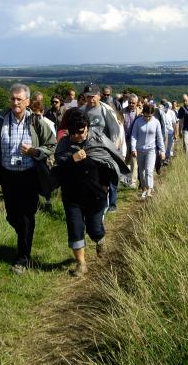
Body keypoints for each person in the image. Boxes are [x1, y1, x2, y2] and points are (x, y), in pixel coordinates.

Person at [0, 83, 57, 274]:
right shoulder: (0, 121)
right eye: (12, 99)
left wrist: (34, 151)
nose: (15, 102)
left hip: (29, 176)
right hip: (8, 176)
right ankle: (24, 237)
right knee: (12, 215)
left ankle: (23, 257)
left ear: (27, 101)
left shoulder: (35, 122)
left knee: (26, 216)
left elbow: (52, 144)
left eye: (19, 99)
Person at [53, 108, 129, 277]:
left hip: (95, 195)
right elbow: (57, 172)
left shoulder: (99, 139)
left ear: (87, 127)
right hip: (72, 195)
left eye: (80, 132)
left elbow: (110, 162)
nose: (77, 136)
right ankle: (81, 264)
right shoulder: (64, 145)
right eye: (73, 133)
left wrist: (105, 186)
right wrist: (72, 160)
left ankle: (100, 240)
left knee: (94, 229)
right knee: (75, 228)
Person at [81, 83, 122, 213]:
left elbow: (114, 128)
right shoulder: (81, 111)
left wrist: (114, 145)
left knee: (106, 180)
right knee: (92, 180)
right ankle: (94, 204)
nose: (90, 99)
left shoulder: (106, 110)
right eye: (88, 97)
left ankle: (106, 204)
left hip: (104, 150)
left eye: (93, 96)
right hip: (87, 151)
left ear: (99, 96)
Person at [130, 103, 165, 199]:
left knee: (149, 170)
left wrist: (162, 151)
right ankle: (144, 189)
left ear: (152, 114)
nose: (147, 118)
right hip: (140, 150)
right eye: (145, 116)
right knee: (141, 171)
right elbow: (133, 136)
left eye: (149, 116)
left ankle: (149, 190)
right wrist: (133, 148)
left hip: (151, 150)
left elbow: (159, 137)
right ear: (143, 114)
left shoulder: (156, 122)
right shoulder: (138, 122)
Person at [30, 99, 57, 211]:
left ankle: (48, 201)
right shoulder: (31, 121)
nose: (36, 116)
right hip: (35, 156)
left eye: (38, 113)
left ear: (42, 111)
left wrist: (39, 151)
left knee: (45, 180)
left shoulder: (48, 123)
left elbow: (51, 142)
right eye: (33, 113)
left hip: (45, 156)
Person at [160, 99, 178, 165]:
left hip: (170, 132)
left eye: (166, 107)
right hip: (162, 133)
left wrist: (175, 133)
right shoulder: (160, 112)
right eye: (164, 107)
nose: (165, 109)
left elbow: (174, 123)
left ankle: (166, 159)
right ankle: (162, 159)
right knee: (163, 146)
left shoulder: (171, 113)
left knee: (169, 146)